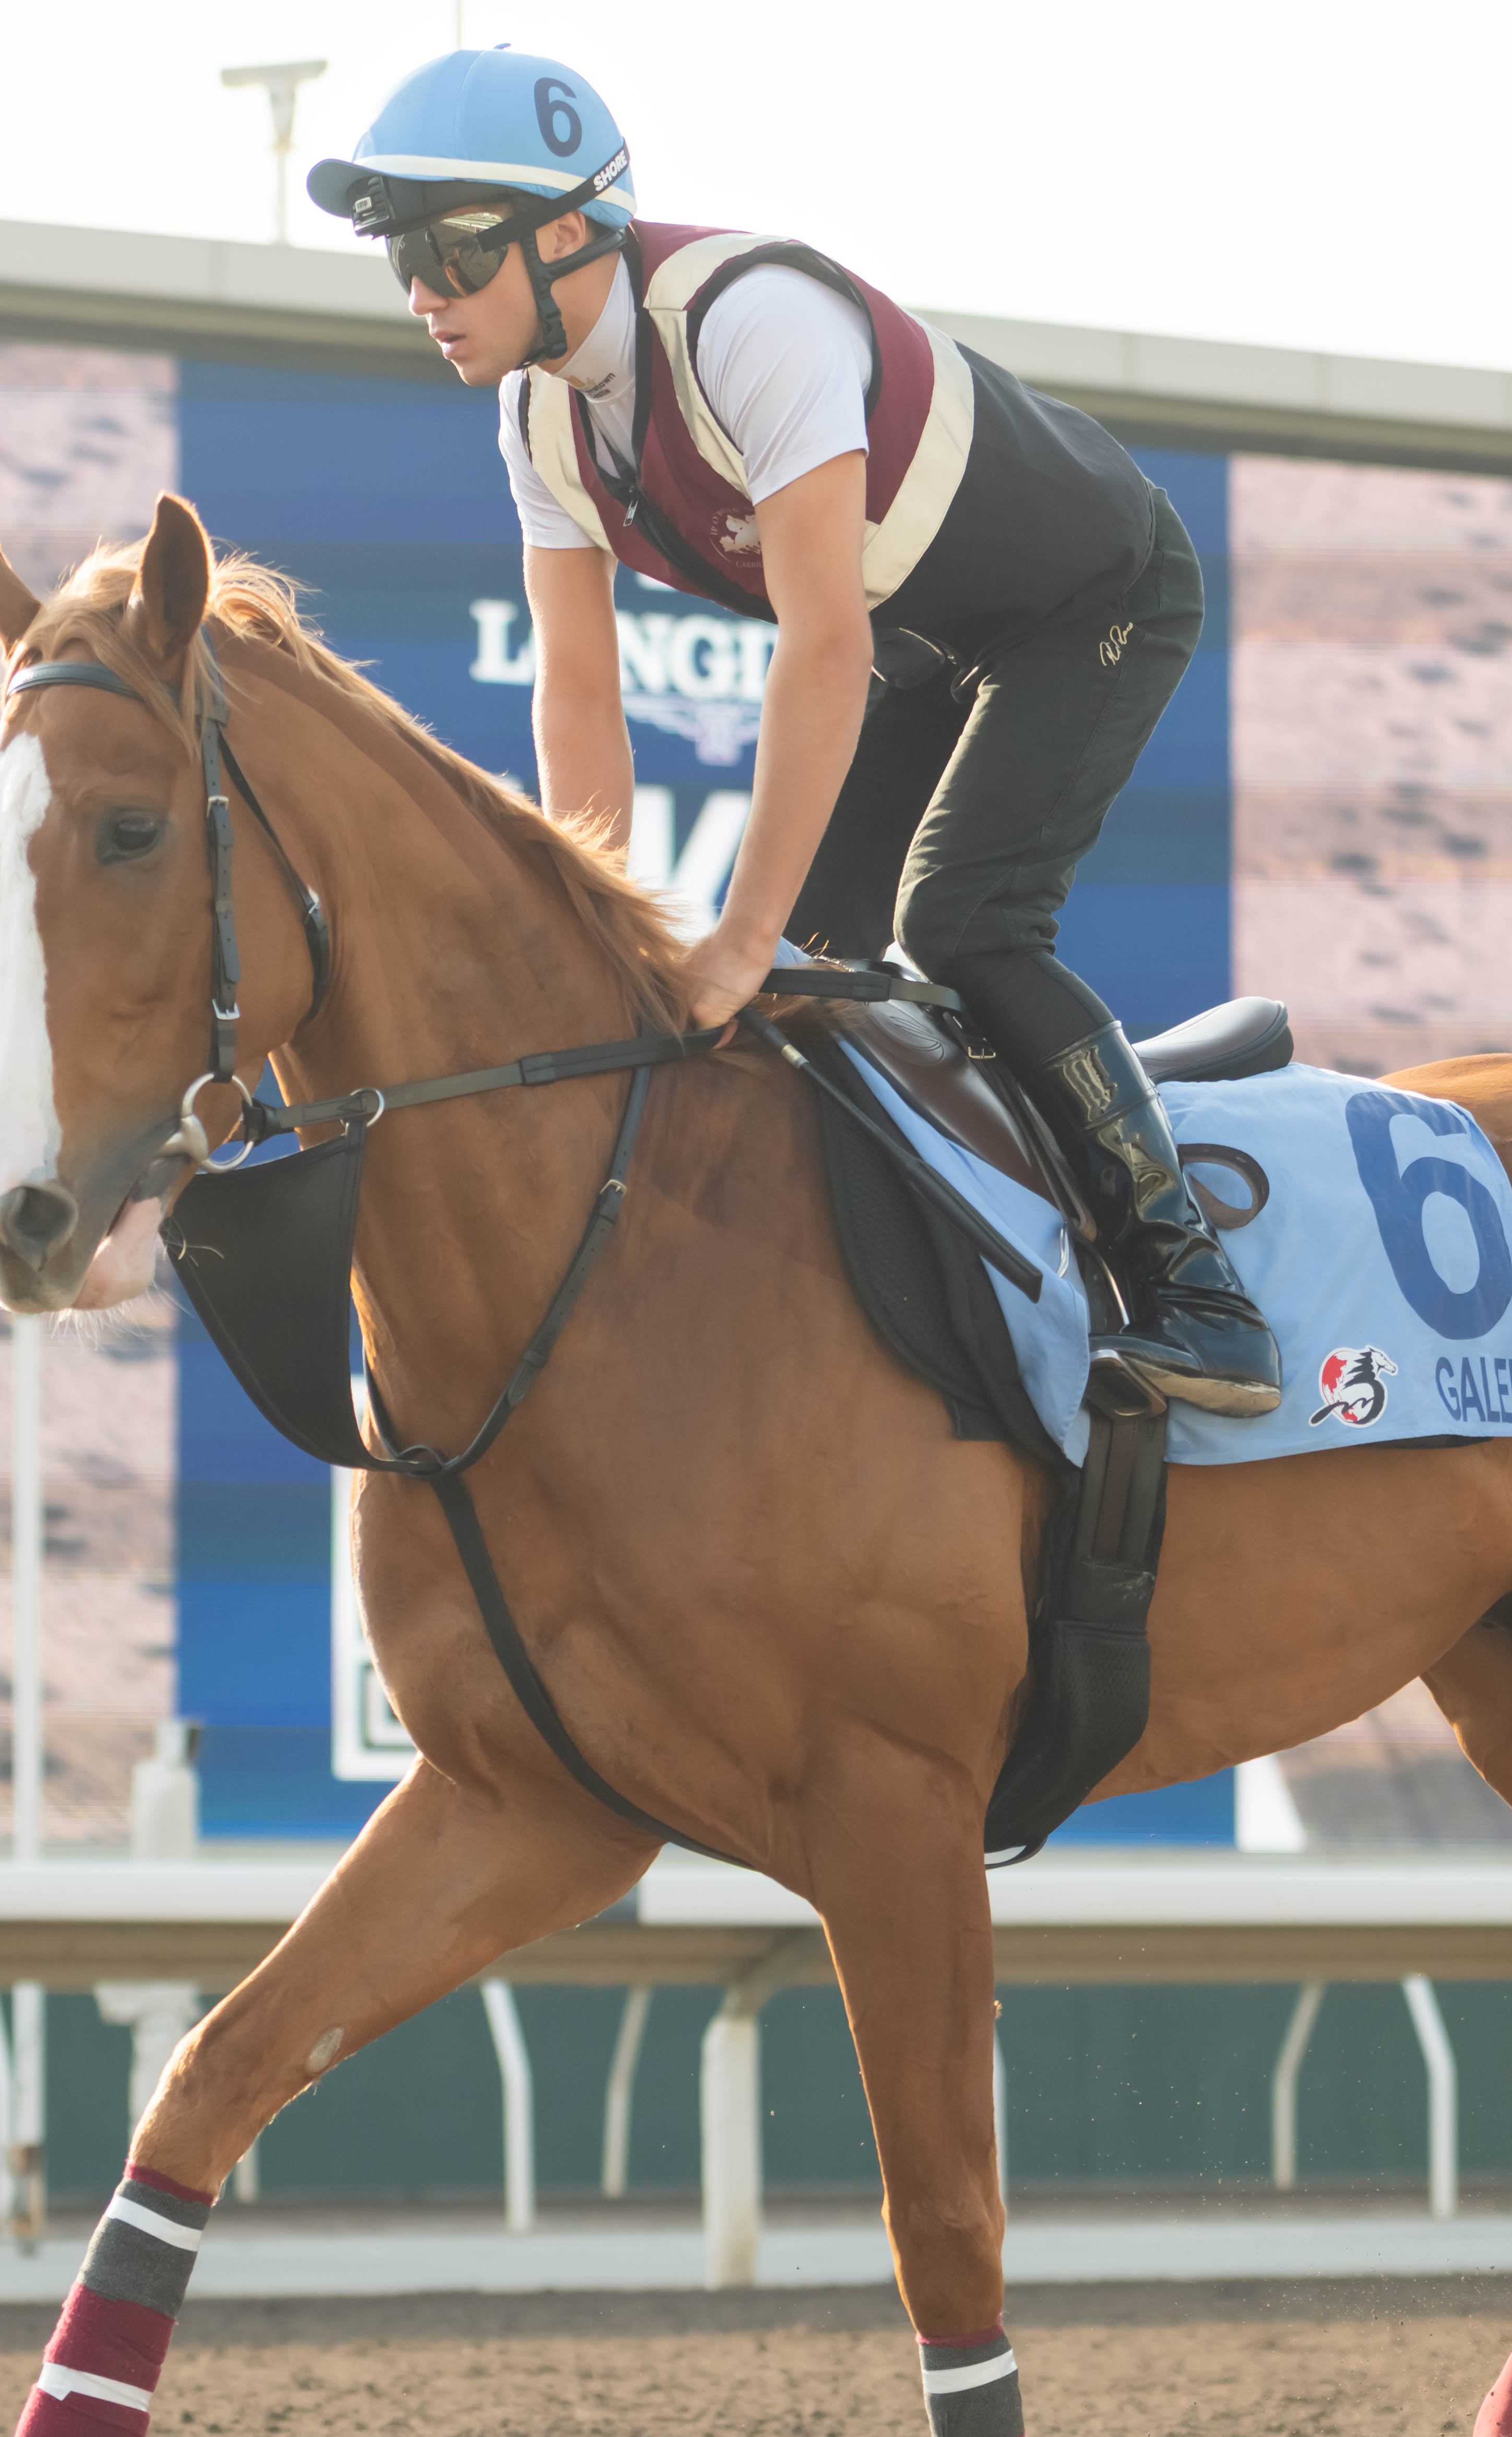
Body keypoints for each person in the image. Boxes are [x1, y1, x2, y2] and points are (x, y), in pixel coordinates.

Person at [300, 50, 1279, 1420]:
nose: (422, 293)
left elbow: (828, 645)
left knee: (963, 923)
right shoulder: (539, 418)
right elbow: (578, 694)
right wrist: (600, 936)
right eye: (399, 257)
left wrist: (735, 937)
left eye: (450, 252)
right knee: (819, 982)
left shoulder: (750, 322)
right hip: (936, 623)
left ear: (569, 230)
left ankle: (1197, 1292)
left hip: (1092, 595)